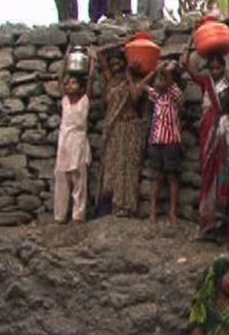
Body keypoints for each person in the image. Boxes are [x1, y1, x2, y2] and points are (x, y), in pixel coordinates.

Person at [183, 41, 229, 242]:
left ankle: (223, 226)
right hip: (208, 134)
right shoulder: (205, 83)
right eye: (212, 67)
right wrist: (190, 41)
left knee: (226, 175)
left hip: (226, 132)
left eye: (219, 67)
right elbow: (186, 65)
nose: (215, 71)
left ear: (224, 67)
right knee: (208, 177)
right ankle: (208, 224)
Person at [95, 44, 145, 218]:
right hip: (113, 129)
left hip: (129, 128)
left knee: (127, 167)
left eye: (119, 64)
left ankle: (125, 206)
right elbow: (100, 52)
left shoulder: (131, 80)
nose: (116, 68)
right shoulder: (110, 80)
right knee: (112, 167)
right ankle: (107, 206)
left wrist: (129, 73)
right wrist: (125, 41)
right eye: (113, 65)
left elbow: (135, 97)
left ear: (125, 64)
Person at [138, 62, 184, 223]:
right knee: (157, 177)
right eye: (158, 78)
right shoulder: (156, 96)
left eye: (162, 78)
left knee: (172, 177)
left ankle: (172, 212)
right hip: (156, 141)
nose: (159, 81)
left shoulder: (175, 94)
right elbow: (142, 85)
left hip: (171, 141)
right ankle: (153, 212)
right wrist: (154, 71)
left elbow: (170, 83)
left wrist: (164, 70)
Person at [54, 48, 95, 224]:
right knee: (62, 180)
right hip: (64, 144)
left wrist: (92, 60)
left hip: (78, 143)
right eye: (68, 84)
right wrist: (66, 57)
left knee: (79, 181)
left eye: (73, 83)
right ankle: (60, 216)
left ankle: (78, 215)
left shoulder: (84, 101)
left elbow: (91, 79)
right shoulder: (64, 101)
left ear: (81, 87)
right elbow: (59, 78)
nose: (69, 86)